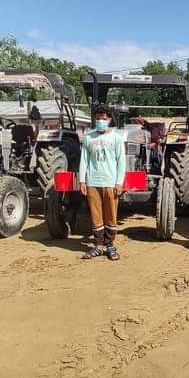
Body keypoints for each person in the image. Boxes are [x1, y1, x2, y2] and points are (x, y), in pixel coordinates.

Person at [79, 105, 126, 261]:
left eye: (104, 119)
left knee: (111, 216)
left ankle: (110, 246)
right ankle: (98, 246)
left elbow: (121, 162)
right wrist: (82, 181)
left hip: (110, 183)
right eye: (98, 119)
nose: (100, 121)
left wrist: (119, 183)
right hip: (93, 182)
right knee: (96, 215)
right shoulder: (88, 137)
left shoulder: (116, 139)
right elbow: (84, 160)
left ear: (109, 120)